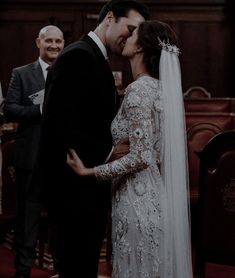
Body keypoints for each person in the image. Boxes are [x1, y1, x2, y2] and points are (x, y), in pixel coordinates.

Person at [30, 1, 149, 277]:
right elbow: (59, 124)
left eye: (136, 34)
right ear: (109, 17)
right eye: (129, 28)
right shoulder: (79, 56)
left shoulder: (95, 57)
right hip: (73, 191)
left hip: (86, 189)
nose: (131, 38)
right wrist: (110, 153)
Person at [67, 20, 193, 278]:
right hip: (156, 196)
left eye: (133, 34)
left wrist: (90, 172)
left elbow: (140, 156)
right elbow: (151, 150)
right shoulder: (162, 91)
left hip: (136, 201)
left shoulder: (137, 91)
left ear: (140, 49)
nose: (127, 36)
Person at [3, 25, 64, 278]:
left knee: (62, 220)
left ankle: (63, 270)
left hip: (62, 159)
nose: (54, 45)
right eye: (48, 41)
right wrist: (39, 111)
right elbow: (10, 109)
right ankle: (22, 270)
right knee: (27, 219)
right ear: (37, 43)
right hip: (30, 157)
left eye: (58, 41)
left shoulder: (69, 72)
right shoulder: (21, 74)